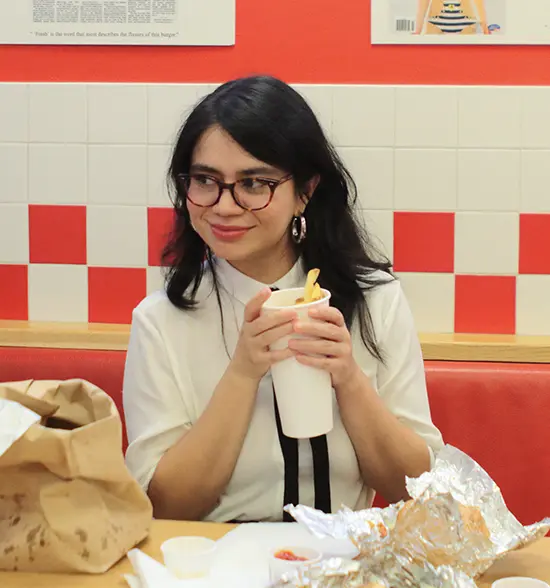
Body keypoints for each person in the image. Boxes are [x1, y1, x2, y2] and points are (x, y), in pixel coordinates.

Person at [123, 75, 444, 522]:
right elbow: (164, 506)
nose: (225, 205)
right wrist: (242, 373)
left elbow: (417, 491)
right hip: (214, 570)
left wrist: (348, 378)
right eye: (205, 180)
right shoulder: (162, 320)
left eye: (254, 183)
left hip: (344, 567)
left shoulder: (374, 301)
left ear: (305, 192)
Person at [414, 0, 489, 35]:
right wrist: (418, 30)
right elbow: (422, 6)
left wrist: (485, 29)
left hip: (466, 25)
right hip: (435, 24)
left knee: (465, 60)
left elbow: (479, 5)